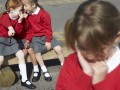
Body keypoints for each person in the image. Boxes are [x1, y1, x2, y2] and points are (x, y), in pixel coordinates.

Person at [56, 0, 120, 90]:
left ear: (116, 37)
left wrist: (101, 85)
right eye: (83, 48)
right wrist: (86, 77)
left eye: (98, 49)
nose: (90, 57)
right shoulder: (72, 62)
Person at [21, 0, 65, 82]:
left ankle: (64, 66)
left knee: (59, 49)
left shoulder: (44, 14)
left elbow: (48, 29)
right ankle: (44, 70)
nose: (23, 8)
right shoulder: (28, 16)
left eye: (25, 6)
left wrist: (48, 41)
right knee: (37, 53)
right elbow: (30, 31)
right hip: (36, 38)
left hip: (46, 36)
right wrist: (27, 40)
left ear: (33, 5)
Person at [0, 0, 36, 89]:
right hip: (1, 40)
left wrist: (20, 21)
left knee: (21, 55)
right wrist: (10, 28)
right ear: (11, 9)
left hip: (12, 41)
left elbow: (18, 33)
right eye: (20, 10)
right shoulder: (5, 16)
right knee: (0, 59)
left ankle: (24, 79)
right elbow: (6, 22)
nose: (21, 12)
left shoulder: (17, 18)